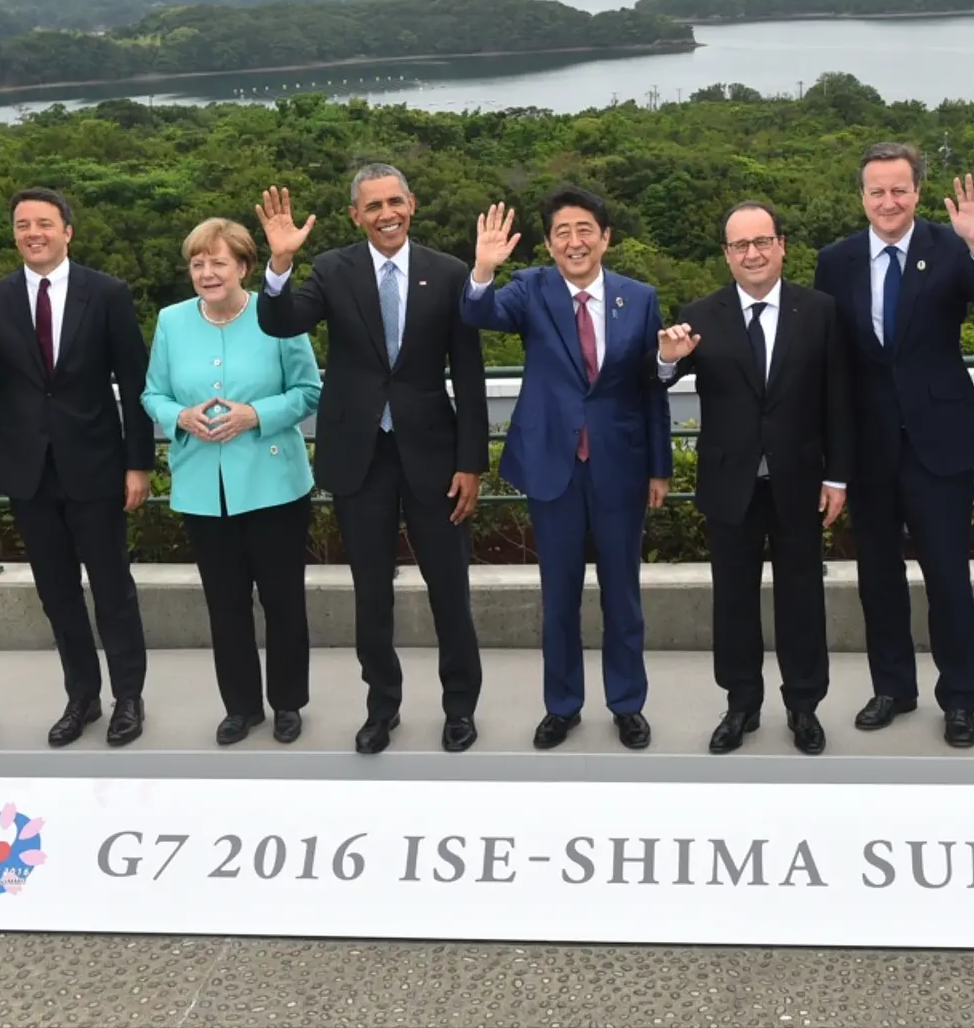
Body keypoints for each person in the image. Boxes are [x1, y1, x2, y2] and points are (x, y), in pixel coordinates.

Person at [0, 187, 155, 748]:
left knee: (113, 588)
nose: (33, 233)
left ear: (67, 231)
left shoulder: (106, 292)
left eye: (44, 223)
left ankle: (128, 698)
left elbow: (137, 382)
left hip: (96, 465)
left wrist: (139, 464)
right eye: (22, 225)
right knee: (56, 593)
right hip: (27, 472)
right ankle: (82, 696)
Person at [254, 165, 489, 756]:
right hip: (360, 458)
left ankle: (460, 708)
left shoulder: (449, 272)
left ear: (412, 204)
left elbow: (469, 374)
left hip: (435, 458)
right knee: (371, 595)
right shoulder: (333, 269)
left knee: (450, 592)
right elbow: (281, 321)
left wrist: (471, 463)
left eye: (395, 202)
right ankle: (382, 708)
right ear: (355, 215)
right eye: (374, 206)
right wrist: (279, 263)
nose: (387, 214)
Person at [813, 142, 974, 748]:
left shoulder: (950, 245)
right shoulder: (836, 260)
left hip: (940, 443)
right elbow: (832, 359)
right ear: (862, 197)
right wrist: (832, 459)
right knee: (877, 578)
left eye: (899, 189)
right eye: (877, 191)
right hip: (868, 446)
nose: (888, 201)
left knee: (948, 578)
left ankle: (960, 698)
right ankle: (893, 688)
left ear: (917, 193)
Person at [462, 188, 673, 751]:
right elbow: (478, 312)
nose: (575, 241)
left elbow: (652, 387)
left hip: (620, 466)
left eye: (585, 230)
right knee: (558, 597)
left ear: (605, 237)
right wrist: (483, 269)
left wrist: (659, 466)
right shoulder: (530, 289)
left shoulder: (638, 297)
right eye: (562, 232)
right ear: (549, 243)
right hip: (552, 465)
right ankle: (562, 706)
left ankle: (627, 704)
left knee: (622, 595)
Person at [654, 201, 853, 756]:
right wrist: (666, 360)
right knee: (733, 601)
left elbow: (839, 400)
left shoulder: (820, 311)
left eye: (762, 241)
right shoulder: (700, 313)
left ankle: (804, 705)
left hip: (801, 481)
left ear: (782, 245)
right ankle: (741, 703)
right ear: (726, 254)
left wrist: (838, 477)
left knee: (802, 598)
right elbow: (657, 378)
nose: (753, 253)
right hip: (729, 484)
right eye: (740, 245)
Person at [142, 218, 322, 747]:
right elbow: (153, 394)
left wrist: (255, 414)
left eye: (218, 262)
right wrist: (179, 416)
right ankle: (241, 707)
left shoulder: (277, 315)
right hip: (203, 485)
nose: (207, 273)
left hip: (275, 484)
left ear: (243, 266)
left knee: (283, 601)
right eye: (197, 263)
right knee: (225, 605)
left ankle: (287, 702)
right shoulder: (171, 321)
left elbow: (309, 390)